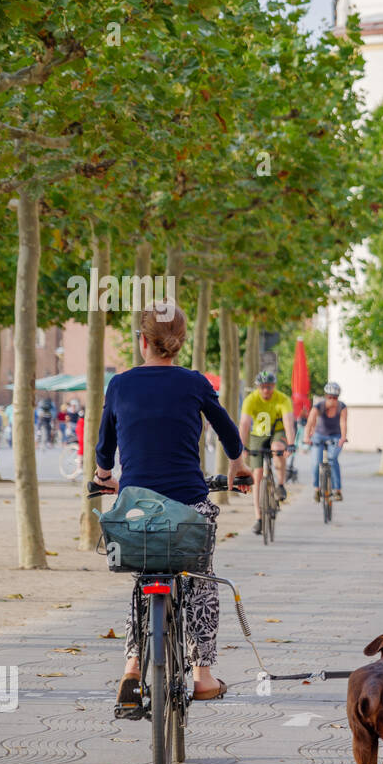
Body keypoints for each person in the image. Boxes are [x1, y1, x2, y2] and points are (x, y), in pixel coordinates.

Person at [96, 301, 251, 705]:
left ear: (142, 341)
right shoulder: (195, 382)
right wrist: (238, 466)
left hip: (135, 510)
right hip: (188, 509)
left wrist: (103, 477)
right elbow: (228, 432)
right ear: (179, 343)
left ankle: (132, 667)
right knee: (201, 580)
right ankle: (202, 675)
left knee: (142, 582)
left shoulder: (120, 385)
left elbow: (104, 446)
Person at [239, 370, 296, 535]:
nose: (266, 391)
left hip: (277, 432)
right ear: (258, 387)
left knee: (277, 449)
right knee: (256, 477)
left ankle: (280, 484)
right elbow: (244, 424)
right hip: (258, 434)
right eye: (263, 387)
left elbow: (288, 422)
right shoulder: (251, 400)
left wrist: (291, 444)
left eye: (269, 387)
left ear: (274, 386)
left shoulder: (283, 399)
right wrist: (242, 447)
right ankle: (258, 518)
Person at [304, 381, 347, 502]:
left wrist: (343, 437)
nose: (332, 400)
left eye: (335, 397)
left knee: (333, 459)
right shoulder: (319, 406)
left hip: (335, 436)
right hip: (319, 436)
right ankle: (317, 489)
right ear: (325, 396)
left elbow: (343, 423)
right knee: (315, 463)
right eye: (330, 397)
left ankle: (337, 490)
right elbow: (310, 423)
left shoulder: (342, 407)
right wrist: (307, 437)